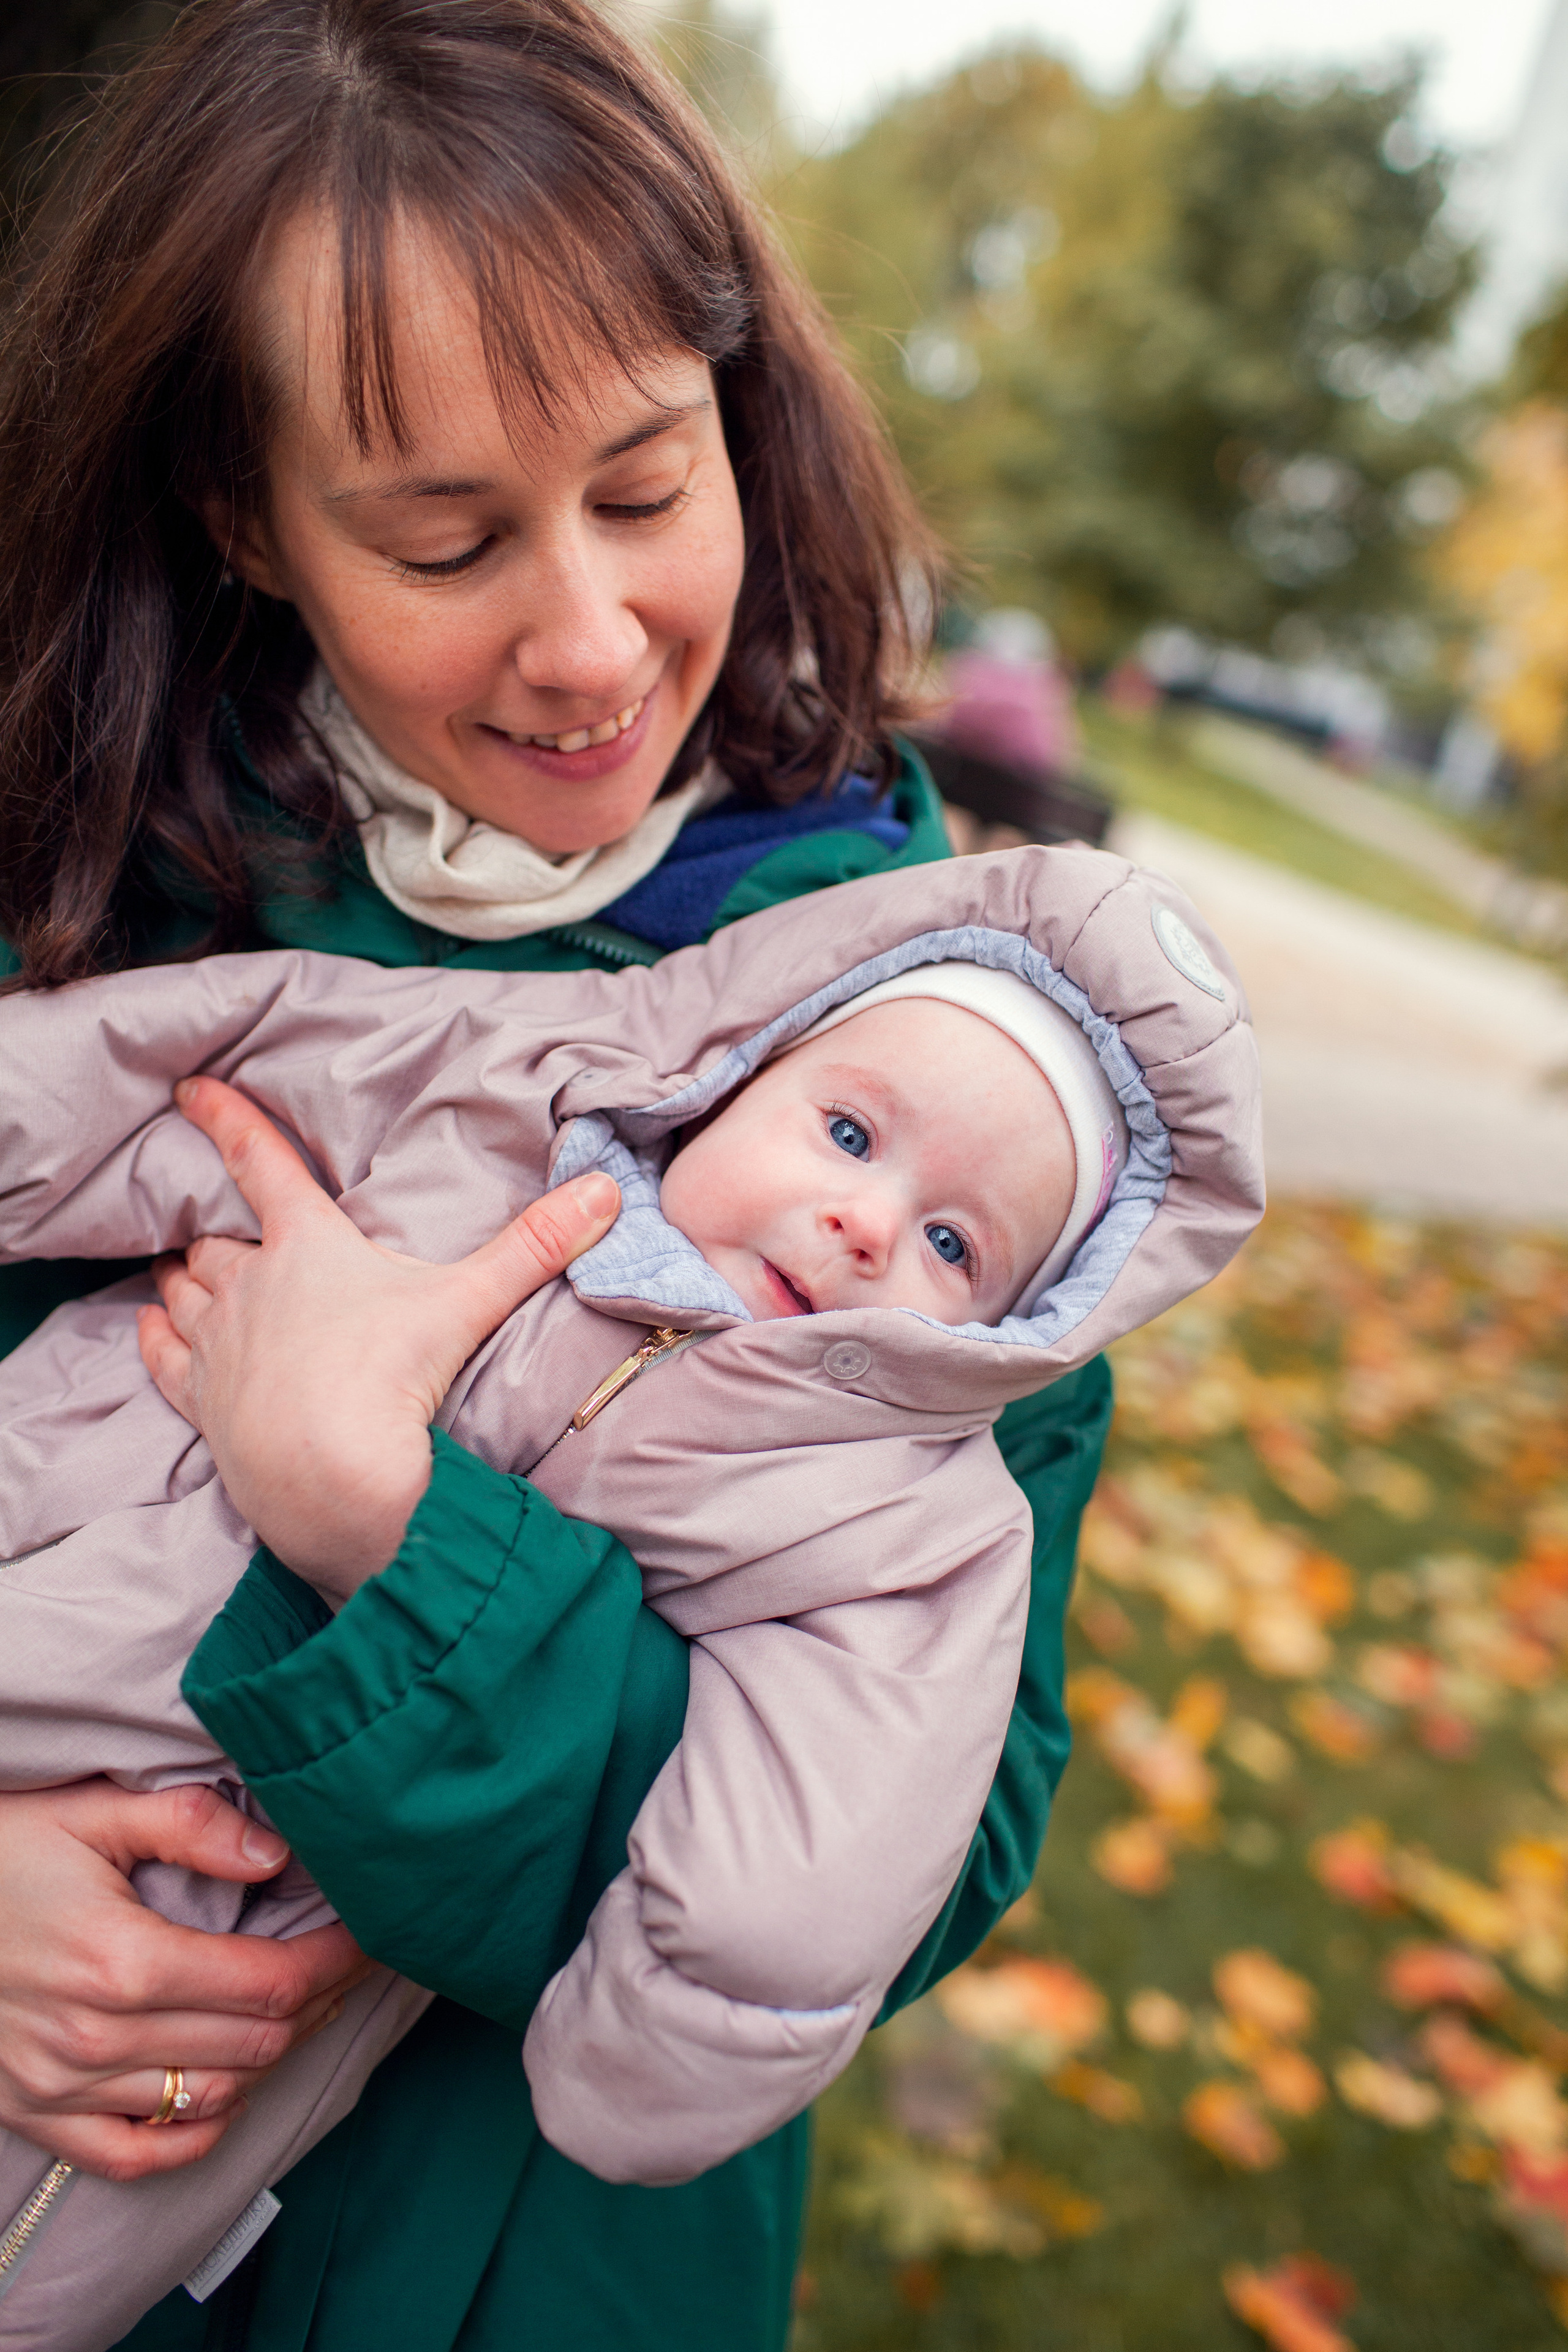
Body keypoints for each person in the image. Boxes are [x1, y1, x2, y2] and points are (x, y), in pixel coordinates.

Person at [0, 3, 1117, 2345]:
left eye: (642, 484)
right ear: (244, 515)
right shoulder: (83, 915)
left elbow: (907, 1869)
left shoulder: (945, 1076)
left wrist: (394, 1537)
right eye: (444, 537)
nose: (593, 642)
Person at [0, 846, 1262, 2348]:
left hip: (253, 1963)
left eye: (950, 1245)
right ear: (737, 1072)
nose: (866, 1225)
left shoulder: (898, 1504)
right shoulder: (508, 1082)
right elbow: (189, 1069)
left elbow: (844, 1832)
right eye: (848, 1132)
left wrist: (386, 1520)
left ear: (1011, 1329)